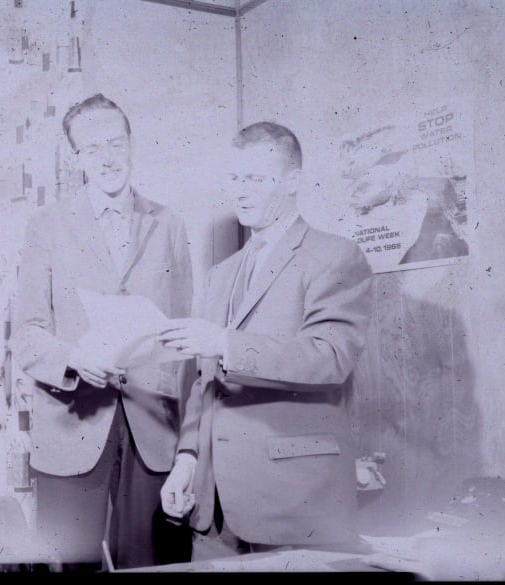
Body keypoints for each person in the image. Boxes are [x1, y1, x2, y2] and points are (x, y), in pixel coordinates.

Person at [158, 121, 373, 560]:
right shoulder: (221, 275)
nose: (240, 191)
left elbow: (330, 357)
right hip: (213, 513)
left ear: (293, 181)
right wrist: (187, 459)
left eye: (255, 178)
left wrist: (225, 343)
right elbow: (204, 385)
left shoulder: (335, 256)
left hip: (293, 506)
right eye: (234, 178)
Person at [9, 93, 193, 569]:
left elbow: (183, 334)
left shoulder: (168, 224)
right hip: (72, 425)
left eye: (116, 142)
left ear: (131, 143)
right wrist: (73, 359)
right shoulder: (45, 227)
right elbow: (27, 336)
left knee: (155, 565)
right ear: (77, 159)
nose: (108, 158)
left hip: (152, 428)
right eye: (93, 149)